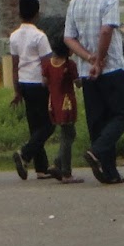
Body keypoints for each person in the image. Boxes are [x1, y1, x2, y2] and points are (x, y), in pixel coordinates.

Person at [64, 0, 124, 185]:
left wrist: (88, 58)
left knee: (98, 121)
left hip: (86, 72)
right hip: (111, 67)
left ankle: (109, 172)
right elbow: (106, 31)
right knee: (122, 114)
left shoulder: (75, 2)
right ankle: (97, 152)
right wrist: (100, 61)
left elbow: (69, 38)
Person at [7, 0, 54, 180]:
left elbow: (14, 64)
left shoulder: (14, 36)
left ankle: (41, 169)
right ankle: (25, 154)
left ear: (19, 13)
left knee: (35, 125)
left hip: (24, 83)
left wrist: (16, 90)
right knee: (50, 124)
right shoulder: (39, 36)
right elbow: (47, 64)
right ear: (37, 14)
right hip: (39, 83)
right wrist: (52, 86)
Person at [41, 36, 83, 183]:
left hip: (53, 103)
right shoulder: (69, 65)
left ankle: (57, 163)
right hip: (67, 103)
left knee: (68, 134)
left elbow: (44, 82)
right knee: (68, 135)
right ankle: (66, 172)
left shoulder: (48, 64)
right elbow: (77, 83)